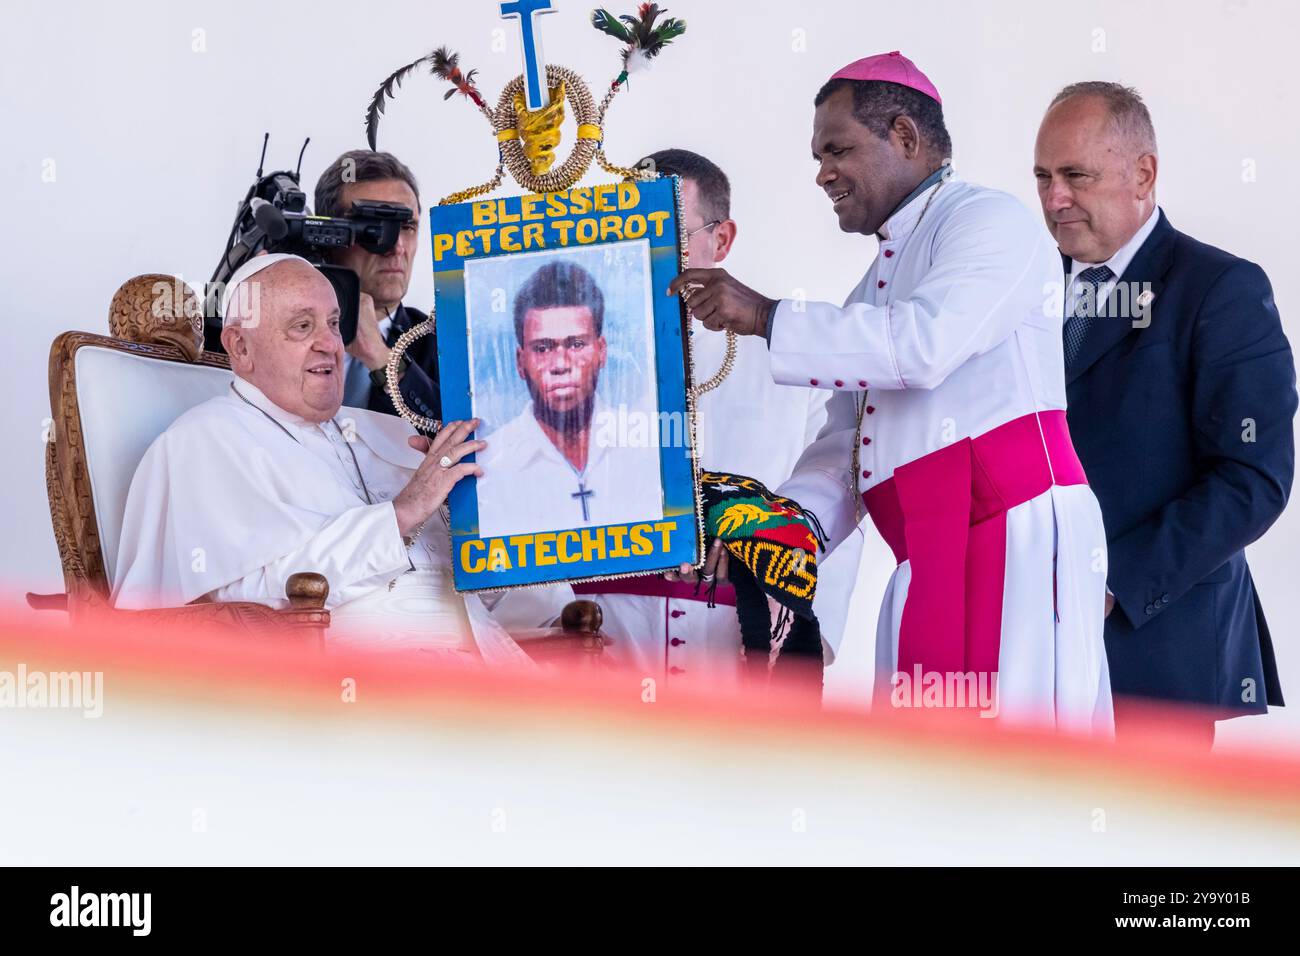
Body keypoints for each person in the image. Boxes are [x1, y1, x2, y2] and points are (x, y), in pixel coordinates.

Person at [668, 52, 1112, 732]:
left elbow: (921, 347)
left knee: (1026, 780)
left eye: (836, 150)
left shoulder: (991, 223)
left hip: (1016, 539)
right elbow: (847, 444)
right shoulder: (870, 288)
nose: (822, 174)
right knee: (929, 783)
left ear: (904, 135)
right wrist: (780, 527)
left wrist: (766, 316)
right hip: (928, 557)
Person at [112, 254, 572, 662]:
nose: (330, 343)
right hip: (349, 693)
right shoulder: (201, 441)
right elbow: (243, 609)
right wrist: (402, 513)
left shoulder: (392, 431)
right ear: (240, 347)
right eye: (302, 326)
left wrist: (480, 517)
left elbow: (522, 608)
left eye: (334, 323)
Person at [1034, 82, 1296, 742]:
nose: (1054, 198)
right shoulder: (1021, 284)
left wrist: (1108, 583)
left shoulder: (1222, 289)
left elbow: (1252, 479)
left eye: (1075, 176)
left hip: (1152, 650)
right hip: (1021, 649)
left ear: (1143, 173)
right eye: (1042, 177)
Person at [575, 148, 864, 690]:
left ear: (722, 240)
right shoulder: (566, 362)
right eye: (626, 234)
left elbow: (839, 495)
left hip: (741, 640)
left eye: (669, 232)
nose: (647, 254)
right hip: (606, 643)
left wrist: (797, 641)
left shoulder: (792, 360)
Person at [475, 259, 663, 538]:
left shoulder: (649, 447)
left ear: (602, 352)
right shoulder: (488, 464)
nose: (561, 364)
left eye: (576, 344)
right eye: (542, 348)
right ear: (519, 362)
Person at [314, 149, 441, 427]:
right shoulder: (280, 337)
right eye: (375, 227)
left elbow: (465, 438)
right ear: (328, 236)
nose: (396, 247)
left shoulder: (446, 344)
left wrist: (382, 359)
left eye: (407, 226)